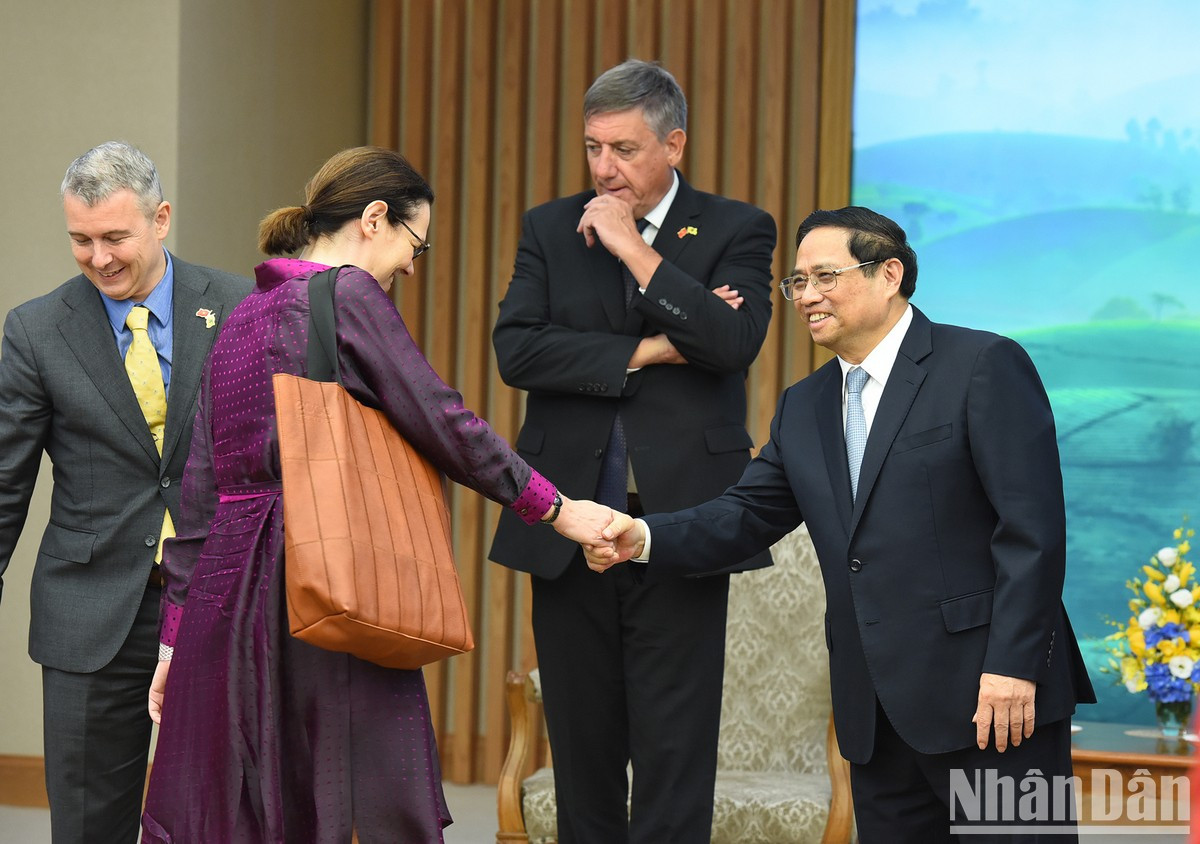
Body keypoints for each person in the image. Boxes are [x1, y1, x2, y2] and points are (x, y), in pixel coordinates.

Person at [139, 146, 614, 844]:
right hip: (325, 575)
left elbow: (199, 495)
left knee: (246, 808)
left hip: (225, 600)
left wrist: (174, 642)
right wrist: (555, 506)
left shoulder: (241, 315)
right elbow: (442, 418)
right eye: (414, 245)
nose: (410, 268)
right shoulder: (346, 294)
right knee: (357, 800)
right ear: (373, 218)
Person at [590, 206, 1097, 842]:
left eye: (825, 276)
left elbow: (1032, 533)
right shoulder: (804, 406)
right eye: (797, 282)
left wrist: (1013, 668)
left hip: (990, 701)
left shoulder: (982, 365)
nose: (807, 296)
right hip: (875, 714)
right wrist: (641, 536)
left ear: (890, 274)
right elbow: (744, 515)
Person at [488, 59, 776, 843]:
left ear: (673, 144)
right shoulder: (550, 226)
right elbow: (517, 351)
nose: (604, 170)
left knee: (674, 749)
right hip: (570, 521)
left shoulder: (735, 229)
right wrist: (651, 348)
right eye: (592, 149)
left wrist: (635, 251)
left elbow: (731, 340)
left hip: (680, 522)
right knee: (583, 745)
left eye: (623, 149)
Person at [0, 141, 251, 843]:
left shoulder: (236, 305)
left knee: (223, 819)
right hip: (89, 613)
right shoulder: (37, 329)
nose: (99, 258)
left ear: (160, 218)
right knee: (87, 827)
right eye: (80, 240)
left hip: (218, 605)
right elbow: (5, 479)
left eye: (115, 237)